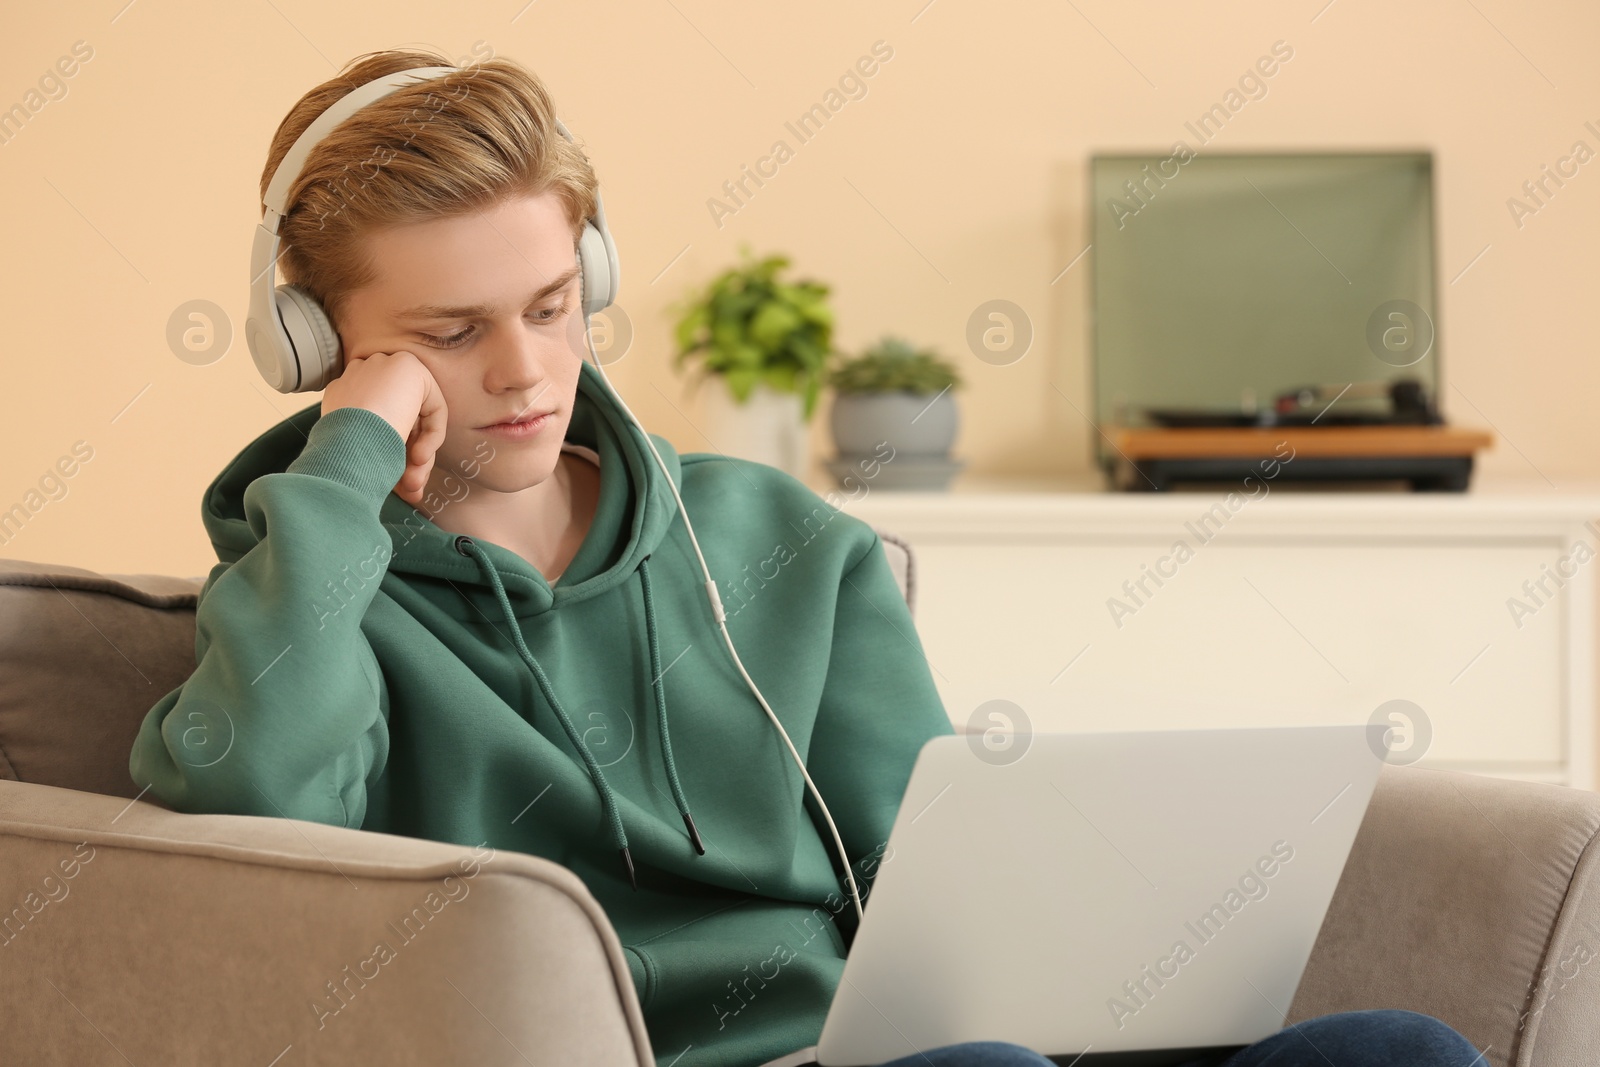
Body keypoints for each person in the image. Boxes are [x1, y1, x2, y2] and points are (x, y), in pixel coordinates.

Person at [127, 48, 1484, 1067]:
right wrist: (348, 467)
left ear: (593, 275)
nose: (526, 372)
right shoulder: (309, 589)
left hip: (901, 1058)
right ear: (316, 347)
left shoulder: (779, 543)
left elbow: (941, 892)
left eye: (551, 308)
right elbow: (254, 816)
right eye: (448, 334)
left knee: (1402, 1053)